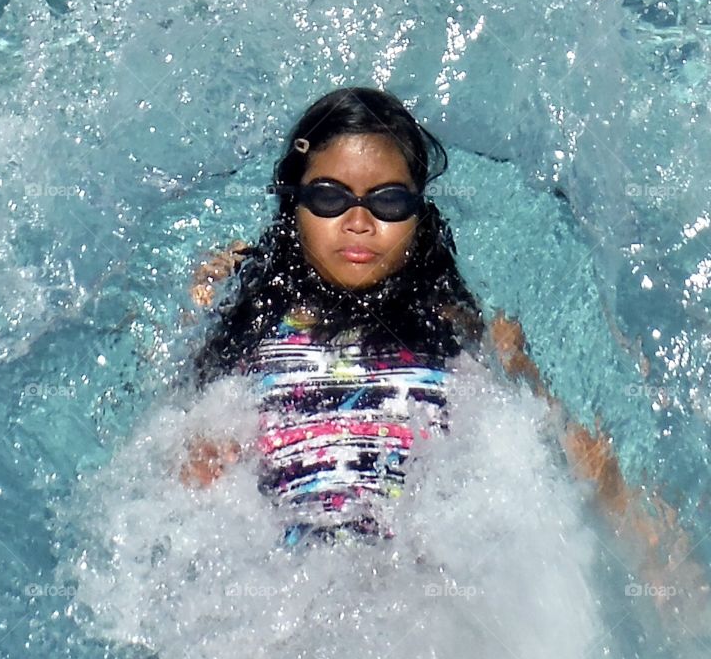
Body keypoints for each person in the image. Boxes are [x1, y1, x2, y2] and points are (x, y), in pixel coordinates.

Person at [181, 87, 705, 608]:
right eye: (328, 197)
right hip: (279, 604)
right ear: (293, 202)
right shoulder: (245, 320)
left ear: (417, 214)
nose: (358, 222)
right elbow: (189, 480)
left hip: (427, 607)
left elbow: (573, 445)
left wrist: (661, 561)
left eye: (388, 201)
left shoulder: (465, 329)